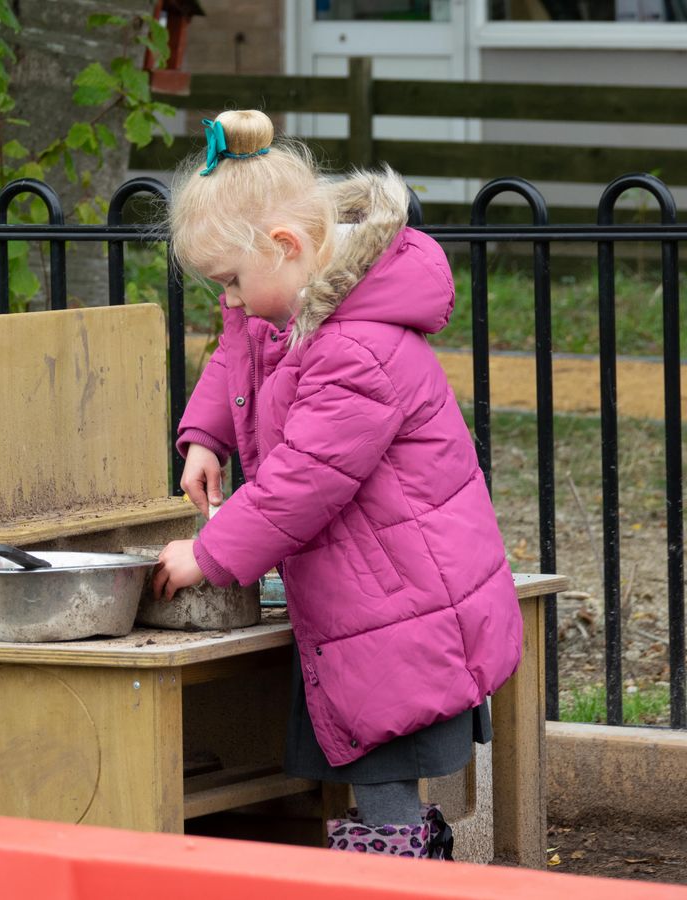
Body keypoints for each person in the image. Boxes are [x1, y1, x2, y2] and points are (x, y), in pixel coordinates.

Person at [150, 110, 522, 860]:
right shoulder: (293, 302)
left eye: (231, 280)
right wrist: (205, 435)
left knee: (383, 760)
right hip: (371, 588)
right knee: (364, 745)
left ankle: (401, 871)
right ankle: (397, 863)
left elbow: (301, 484)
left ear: (286, 247)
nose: (228, 299)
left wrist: (210, 552)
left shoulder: (357, 347)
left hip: (404, 599)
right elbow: (237, 350)